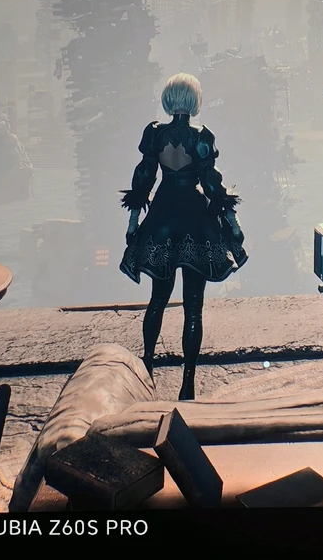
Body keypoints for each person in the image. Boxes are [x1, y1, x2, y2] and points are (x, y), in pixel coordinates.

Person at [119, 73, 248, 400]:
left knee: (157, 300)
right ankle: (187, 383)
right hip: (195, 218)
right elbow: (213, 185)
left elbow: (143, 180)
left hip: (162, 216)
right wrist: (233, 223)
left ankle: (147, 367)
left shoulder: (154, 134)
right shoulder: (201, 137)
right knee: (193, 307)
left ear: (168, 100)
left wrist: (133, 222)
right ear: (193, 101)